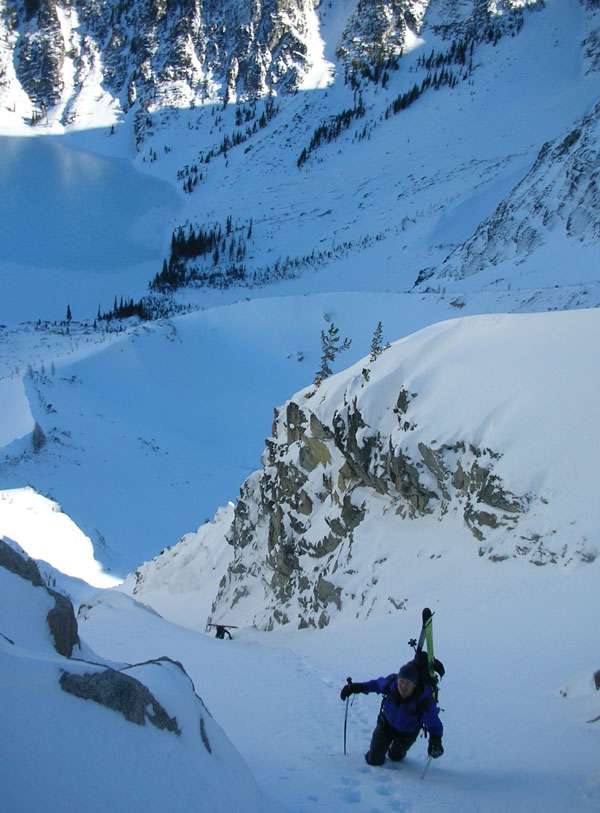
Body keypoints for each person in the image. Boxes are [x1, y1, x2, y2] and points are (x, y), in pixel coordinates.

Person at [340, 661, 444, 766]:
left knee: (395, 757)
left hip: (406, 734)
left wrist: (435, 741)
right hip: (386, 725)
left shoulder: (423, 701)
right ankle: (380, 748)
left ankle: (395, 751)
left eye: (408, 683)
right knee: (374, 760)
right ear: (397, 680)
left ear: (414, 685)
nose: (403, 686)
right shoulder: (391, 684)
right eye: (401, 681)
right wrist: (355, 687)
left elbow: (434, 725)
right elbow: (375, 685)